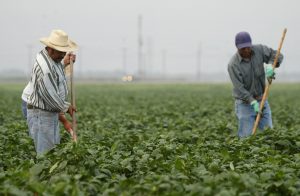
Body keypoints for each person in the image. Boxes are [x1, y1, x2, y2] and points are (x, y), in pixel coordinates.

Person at [24, 29, 78, 154]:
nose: (63, 55)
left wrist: (65, 63)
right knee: (46, 154)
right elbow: (51, 97)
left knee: (51, 150)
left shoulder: (51, 58)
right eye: (61, 52)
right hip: (42, 114)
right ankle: (45, 174)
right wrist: (66, 106)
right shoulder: (45, 69)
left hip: (48, 112)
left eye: (64, 52)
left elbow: (56, 73)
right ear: (50, 48)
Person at [228, 31, 283, 138]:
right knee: (246, 137)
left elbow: (278, 55)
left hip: (262, 100)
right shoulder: (233, 64)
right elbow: (239, 88)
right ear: (237, 47)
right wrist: (252, 102)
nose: (246, 50)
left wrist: (272, 66)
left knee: (269, 134)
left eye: (248, 47)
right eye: (243, 48)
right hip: (245, 104)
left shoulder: (259, 50)